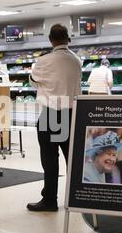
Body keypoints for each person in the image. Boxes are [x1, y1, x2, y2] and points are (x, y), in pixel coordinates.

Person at [27, 24, 82, 212]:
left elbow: (33, 80)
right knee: (73, 160)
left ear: (51, 40)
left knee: (50, 159)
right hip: (73, 114)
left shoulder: (43, 61)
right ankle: (78, 198)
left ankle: (50, 200)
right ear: (68, 39)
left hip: (51, 114)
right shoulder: (77, 61)